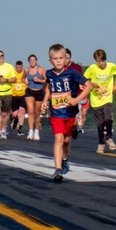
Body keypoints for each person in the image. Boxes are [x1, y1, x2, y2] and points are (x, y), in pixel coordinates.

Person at [42, 43, 93, 182]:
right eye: (55, 58)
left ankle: (65, 158)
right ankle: (58, 170)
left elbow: (89, 86)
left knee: (66, 140)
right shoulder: (49, 74)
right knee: (58, 139)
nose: (58, 61)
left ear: (66, 59)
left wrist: (77, 100)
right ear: (50, 60)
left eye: (61, 58)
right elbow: (49, 89)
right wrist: (45, 101)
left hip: (70, 112)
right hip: (56, 113)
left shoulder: (73, 73)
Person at [84, 49, 116, 154]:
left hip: (107, 97)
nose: (101, 63)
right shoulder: (92, 68)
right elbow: (84, 79)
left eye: (102, 61)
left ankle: (109, 138)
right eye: (98, 61)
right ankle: (101, 142)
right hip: (96, 99)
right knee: (100, 123)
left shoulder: (111, 66)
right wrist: (91, 83)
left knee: (108, 118)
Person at [24, 54, 47, 141]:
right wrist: (25, 83)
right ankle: (30, 131)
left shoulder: (41, 69)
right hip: (30, 91)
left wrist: (39, 80)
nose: (32, 61)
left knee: (37, 113)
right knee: (30, 111)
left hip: (39, 91)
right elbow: (23, 78)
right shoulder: (26, 70)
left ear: (36, 61)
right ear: (29, 61)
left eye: (34, 60)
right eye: (31, 60)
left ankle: (36, 131)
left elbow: (46, 80)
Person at [10, 60, 28, 136]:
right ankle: (15, 119)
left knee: (22, 112)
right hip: (14, 95)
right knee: (15, 114)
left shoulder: (25, 73)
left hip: (23, 95)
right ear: (15, 67)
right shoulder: (12, 73)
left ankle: (20, 129)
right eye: (18, 67)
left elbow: (28, 82)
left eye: (20, 67)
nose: (19, 69)